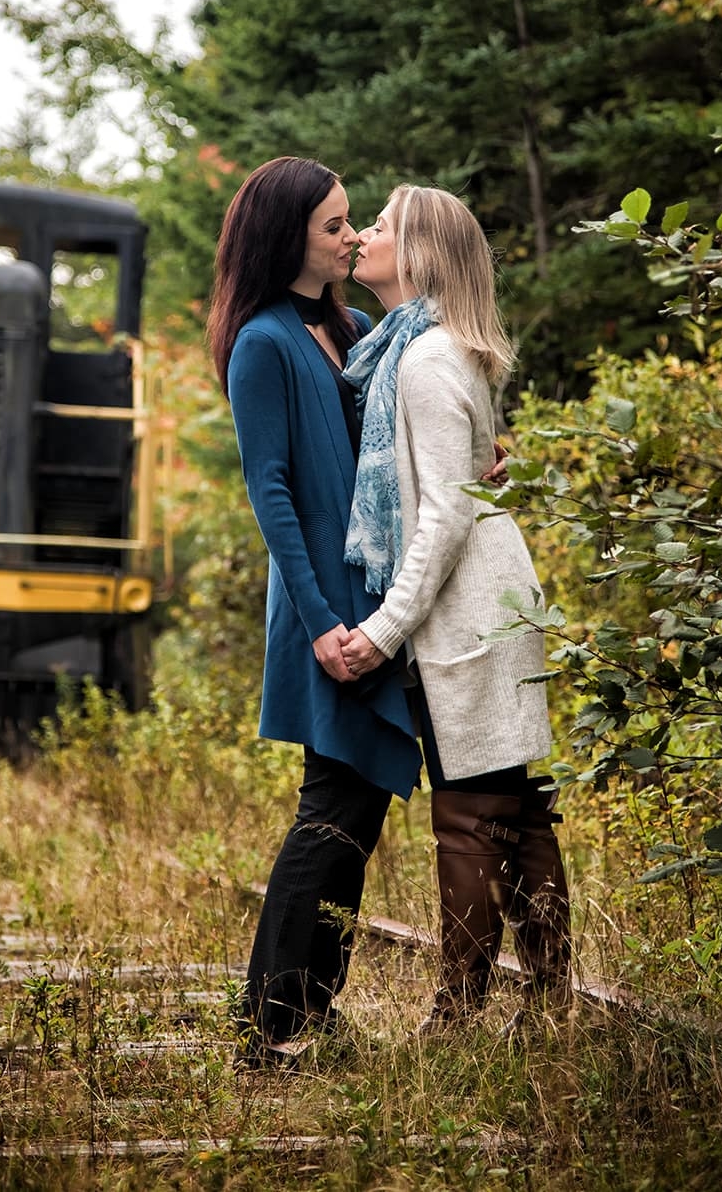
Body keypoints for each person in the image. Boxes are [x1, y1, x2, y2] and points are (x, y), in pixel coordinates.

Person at [339, 183, 572, 1034]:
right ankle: (543, 1002)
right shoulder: (423, 347)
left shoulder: (427, 358)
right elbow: (466, 476)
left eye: (381, 227)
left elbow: (441, 510)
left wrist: (381, 629)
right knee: (509, 802)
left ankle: (458, 1012)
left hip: (471, 608)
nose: (362, 235)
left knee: (475, 811)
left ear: (422, 254)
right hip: (482, 597)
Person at [207, 156, 422, 1070]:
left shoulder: (354, 325)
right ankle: (266, 1024)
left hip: (373, 596)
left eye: (349, 223)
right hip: (320, 606)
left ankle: (311, 1010)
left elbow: (408, 437)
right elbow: (273, 492)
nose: (351, 237)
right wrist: (318, 621)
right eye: (335, 225)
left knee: (357, 808)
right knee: (330, 806)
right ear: (287, 233)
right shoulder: (261, 343)